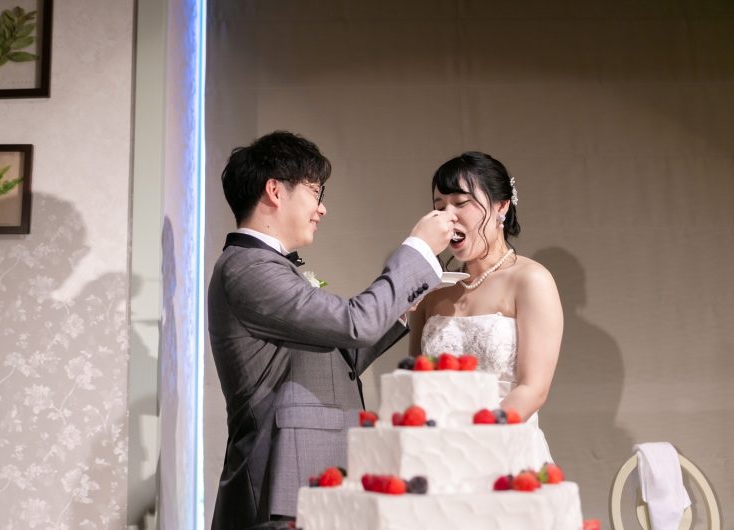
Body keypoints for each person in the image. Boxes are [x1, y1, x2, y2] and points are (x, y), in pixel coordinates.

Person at [207, 131, 457, 529]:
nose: (321, 209)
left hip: (313, 471)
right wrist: (418, 249)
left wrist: (398, 307)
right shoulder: (249, 268)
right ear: (275, 190)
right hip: (286, 477)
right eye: (314, 192)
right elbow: (355, 324)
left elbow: (343, 356)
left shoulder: (268, 266)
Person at [409, 152, 562, 463]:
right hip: (437, 453)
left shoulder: (530, 280)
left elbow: (533, 389)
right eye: (439, 206)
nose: (448, 216)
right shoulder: (434, 290)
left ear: (501, 206)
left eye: (460, 203)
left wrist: (474, 443)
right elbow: (414, 381)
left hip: (504, 450)